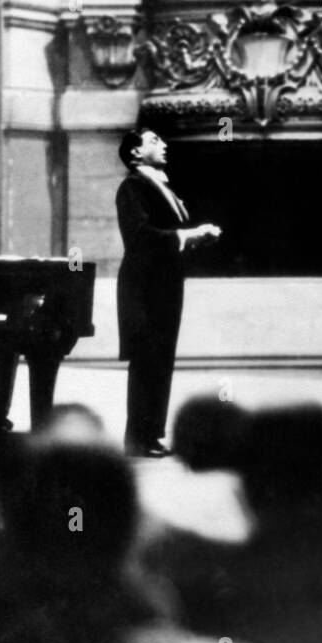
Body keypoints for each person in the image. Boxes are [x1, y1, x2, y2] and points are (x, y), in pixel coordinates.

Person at [116, 130, 221, 457]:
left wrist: (197, 238)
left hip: (165, 285)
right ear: (135, 154)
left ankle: (152, 434)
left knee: (161, 358)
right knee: (146, 358)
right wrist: (189, 235)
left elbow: (169, 236)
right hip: (143, 286)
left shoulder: (162, 186)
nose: (164, 145)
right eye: (154, 141)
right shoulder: (132, 187)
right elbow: (141, 236)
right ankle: (138, 438)